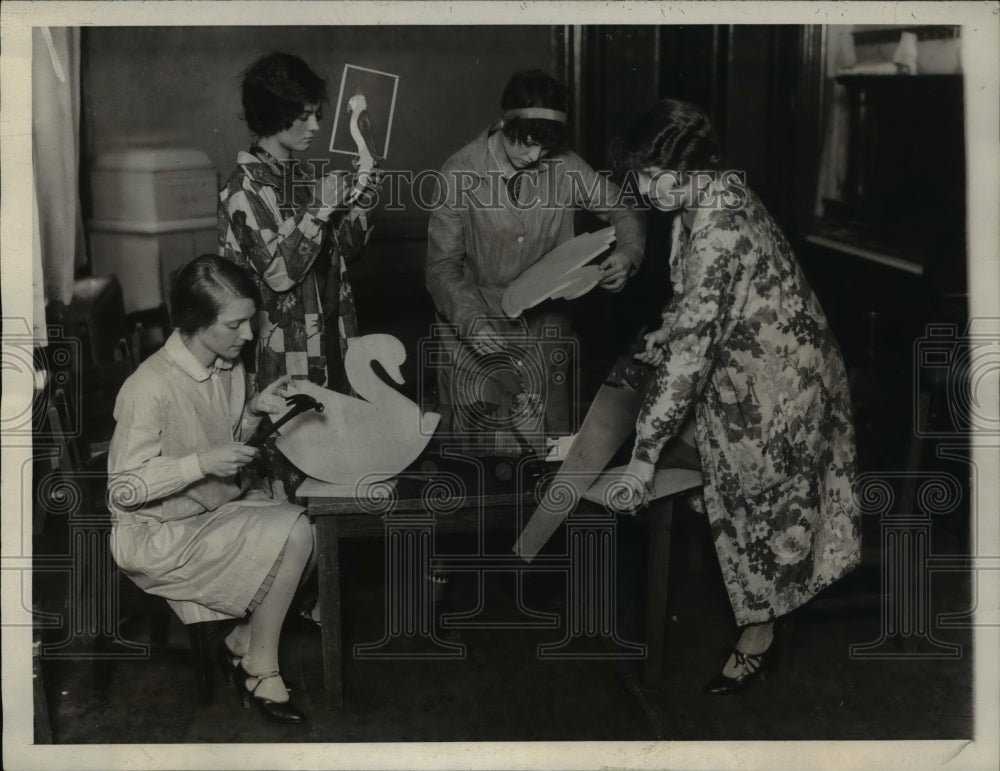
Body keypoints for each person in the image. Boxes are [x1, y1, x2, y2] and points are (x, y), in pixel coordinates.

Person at [614, 100, 862, 694]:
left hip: (783, 383)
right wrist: (669, 327)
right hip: (765, 362)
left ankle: (759, 637)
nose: (642, 189)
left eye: (652, 175)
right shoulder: (709, 192)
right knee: (727, 483)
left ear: (691, 168)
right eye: (639, 175)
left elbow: (693, 351)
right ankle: (759, 602)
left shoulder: (718, 227)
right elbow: (702, 303)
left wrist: (643, 455)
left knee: (763, 501)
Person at [107, 255, 313, 724]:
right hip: (158, 533)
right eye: (235, 324)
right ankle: (260, 668)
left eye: (249, 322)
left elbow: (222, 439)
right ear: (195, 323)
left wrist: (254, 412)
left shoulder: (227, 367)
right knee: (296, 531)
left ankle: (244, 642)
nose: (249, 335)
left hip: (209, 509)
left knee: (311, 530)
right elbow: (122, 489)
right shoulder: (149, 386)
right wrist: (199, 464)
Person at [425, 69, 646, 443]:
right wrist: (471, 319)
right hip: (476, 333)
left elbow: (623, 207)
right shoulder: (458, 172)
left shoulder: (565, 166)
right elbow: (441, 267)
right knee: (484, 450)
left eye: (545, 147)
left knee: (547, 447)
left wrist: (628, 252)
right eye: (527, 143)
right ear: (505, 122)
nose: (535, 156)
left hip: (544, 335)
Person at [219, 51, 378, 395]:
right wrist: (319, 208)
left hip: (333, 337)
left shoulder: (306, 176)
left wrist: (364, 191)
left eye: (316, 115)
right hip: (285, 353)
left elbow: (350, 249)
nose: (315, 127)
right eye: (304, 117)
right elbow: (279, 273)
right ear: (273, 114)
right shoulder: (243, 187)